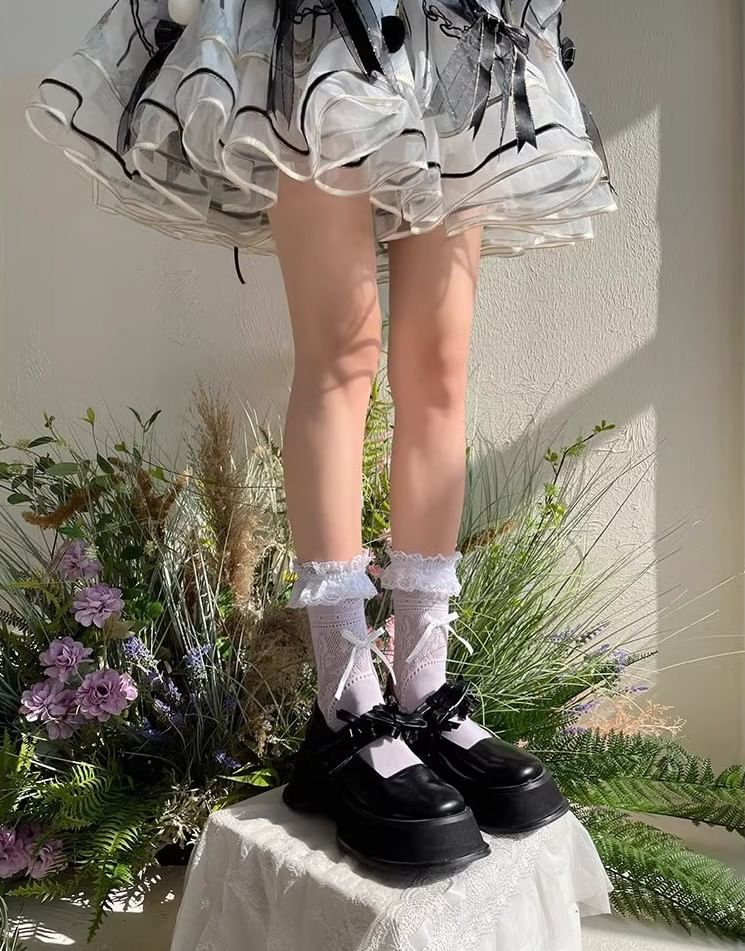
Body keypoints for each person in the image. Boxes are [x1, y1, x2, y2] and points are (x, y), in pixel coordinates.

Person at [26, 0, 616, 871]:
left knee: (439, 365)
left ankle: (418, 691)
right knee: (343, 351)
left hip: (454, 31)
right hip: (316, 29)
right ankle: (345, 705)